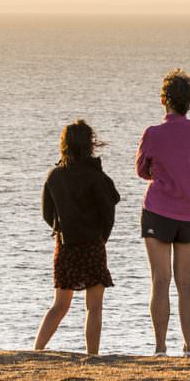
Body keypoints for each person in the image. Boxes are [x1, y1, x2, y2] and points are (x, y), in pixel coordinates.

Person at [136, 69, 190, 356]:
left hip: (159, 210)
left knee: (160, 280)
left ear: (164, 99)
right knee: (186, 282)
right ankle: (189, 348)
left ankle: (160, 348)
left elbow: (141, 169)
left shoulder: (153, 133)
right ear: (189, 101)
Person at [35, 120, 121, 355]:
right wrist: (103, 237)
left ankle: (37, 349)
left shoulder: (55, 175)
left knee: (60, 304)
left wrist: (60, 227)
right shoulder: (96, 175)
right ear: (89, 145)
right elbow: (109, 209)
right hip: (93, 243)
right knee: (94, 307)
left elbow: (46, 213)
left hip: (66, 244)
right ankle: (92, 353)